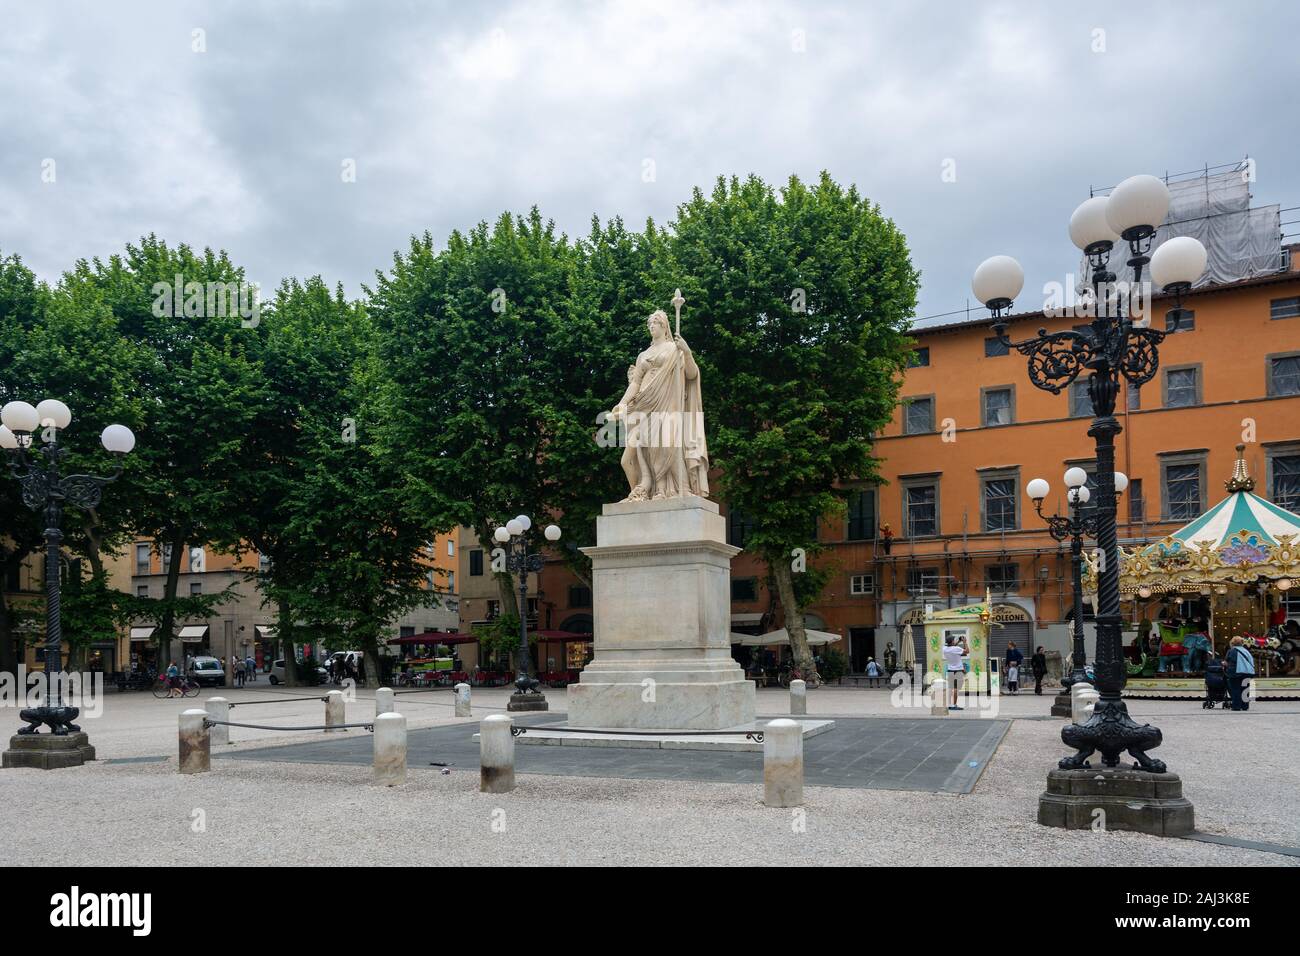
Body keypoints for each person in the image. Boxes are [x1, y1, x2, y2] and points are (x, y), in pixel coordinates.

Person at [1225, 635, 1255, 711]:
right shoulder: (1246, 651)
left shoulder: (1232, 651)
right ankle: (1245, 706)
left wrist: (1223, 664)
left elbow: (1227, 662)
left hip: (1236, 673)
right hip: (1247, 673)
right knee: (1245, 689)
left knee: (1236, 689)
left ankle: (1236, 706)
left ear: (1232, 643)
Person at [943, 634, 966, 710]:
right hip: (958, 670)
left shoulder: (944, 649)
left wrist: (959, 641)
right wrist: (965, 642)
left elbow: (952, 647)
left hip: (950, 670)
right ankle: (954, 705)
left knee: (950, 688)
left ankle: (949, 704)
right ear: (952, 641)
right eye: (954, 640)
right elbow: (967, 651)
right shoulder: (957, 649)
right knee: (956, 688)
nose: (955, 641)